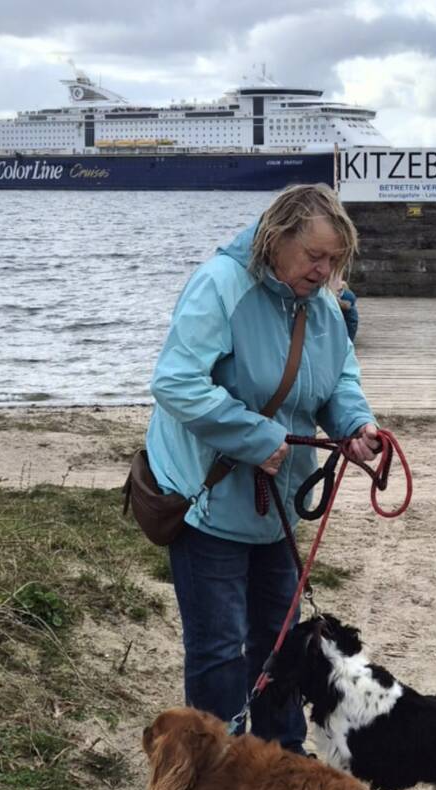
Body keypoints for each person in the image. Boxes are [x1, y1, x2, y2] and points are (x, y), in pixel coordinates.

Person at [146, 183, 378, 755]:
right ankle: (215, 769)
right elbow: (175, 382)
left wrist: (354, 425)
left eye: (333, 260)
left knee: (281, 645)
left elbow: (339, 379)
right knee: (219, 650)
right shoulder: (219, 286)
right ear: (276, 239)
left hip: (278, 508)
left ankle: (280, 763)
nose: (324, 272)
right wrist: (254, 437)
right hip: (207, 501)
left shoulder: (322, 302)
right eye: (314, 256)